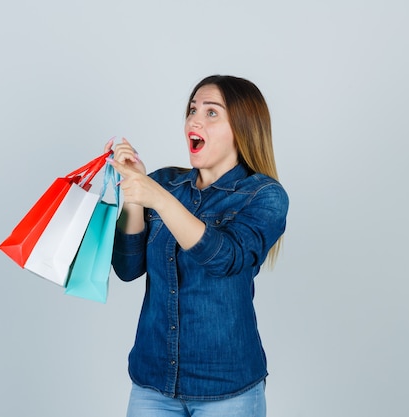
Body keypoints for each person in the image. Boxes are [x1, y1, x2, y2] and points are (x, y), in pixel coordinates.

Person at [104, 75, 289, 417]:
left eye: (211, 112)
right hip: (153, 382)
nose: (195, 120)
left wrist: (157, 198)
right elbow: (128, 269)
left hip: (228, 389)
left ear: (242, 127)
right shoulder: (165, 182)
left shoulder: (265, 195)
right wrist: (134, 193)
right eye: (192, 110)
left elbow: (225, 258)